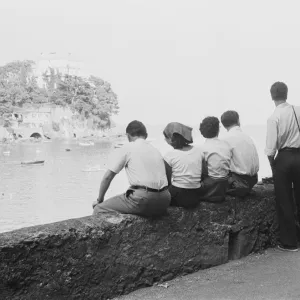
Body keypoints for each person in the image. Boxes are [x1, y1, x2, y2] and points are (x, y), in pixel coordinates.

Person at [93, 120, 171, 217]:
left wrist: (99, 200)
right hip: (165, 200)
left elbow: (107, 177)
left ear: (128, 135)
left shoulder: (128, 148)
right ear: (145, 135)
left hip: (143, 199)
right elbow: (168, 173)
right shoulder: (155, 150)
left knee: (99, 209)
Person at [265, 82, 300, 252]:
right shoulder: (298, 110)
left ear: (272, 96)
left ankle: (290, 242)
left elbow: (271, 148)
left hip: (284, 157)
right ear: (286, 93)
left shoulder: (274, 117)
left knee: (285, 200)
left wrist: (273, 165)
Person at [163, 122, 203, 208]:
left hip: (179, 195)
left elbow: (167, 182)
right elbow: (203, 174)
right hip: (196, 194)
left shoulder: (169, 155)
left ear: (171, 138)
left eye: (165, 137)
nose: (164, 139)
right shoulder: (198, 151)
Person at [221, 110, 259, 197]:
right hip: (253, 179)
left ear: (224, 125)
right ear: (238, 121)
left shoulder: (225, 139)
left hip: (239, 182)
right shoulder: (247, 137)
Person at [199, 116, 231, 202]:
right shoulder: (226, 144)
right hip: (225, 183)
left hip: (211, 184)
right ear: (218, 130)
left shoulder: (202, 148)